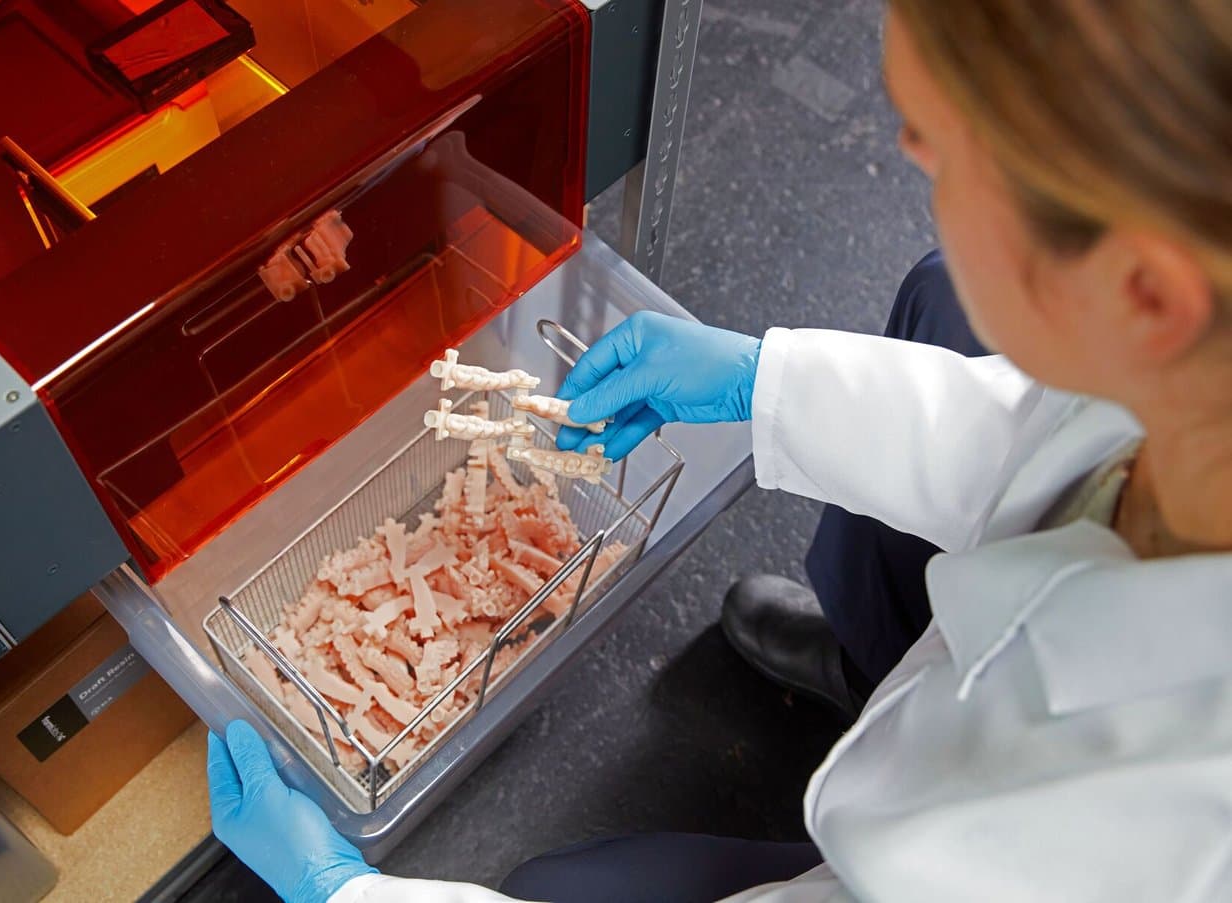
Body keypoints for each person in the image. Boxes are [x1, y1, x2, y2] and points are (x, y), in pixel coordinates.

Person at [207, 2, 1232, 900]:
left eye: (945, 144)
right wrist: (765, 380)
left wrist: (345, 895)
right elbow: (1058, 429)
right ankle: (867, 650)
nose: (911, 155)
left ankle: (885, 723)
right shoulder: (1193, 366)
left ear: (1145, 294)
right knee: (944, 296)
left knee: (549, 884)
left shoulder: (1142, 836)